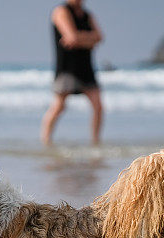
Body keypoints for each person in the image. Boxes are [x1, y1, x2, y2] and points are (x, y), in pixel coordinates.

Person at [40, 0, 103, 146]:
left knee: (98, 107)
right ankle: (46, 141)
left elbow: (99, 37)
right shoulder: (61, 11)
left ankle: (95, 142)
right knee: (59, 105)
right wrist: (89, 38)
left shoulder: (87, 15)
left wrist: (79, 38)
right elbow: (72, 37)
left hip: (86, 68)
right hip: (67, 68)